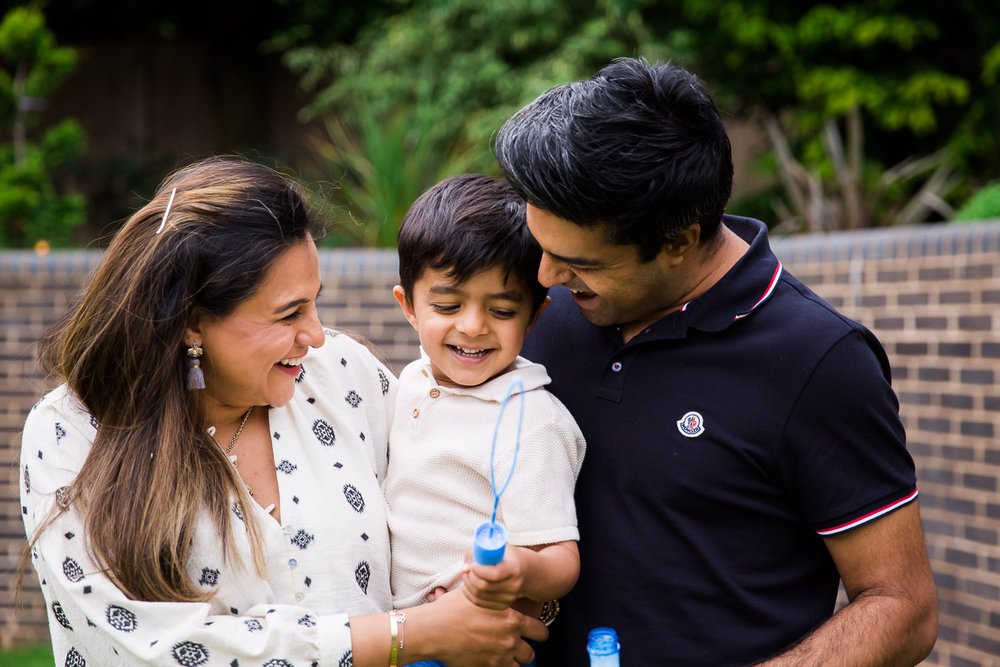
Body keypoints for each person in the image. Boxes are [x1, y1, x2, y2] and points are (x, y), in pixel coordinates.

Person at [494, 58, 938, 665]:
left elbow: (902, 605)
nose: (546, 278)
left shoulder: (818, 360)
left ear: (678, 240)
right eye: (542, 249)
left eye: (582, 263)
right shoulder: (547, 314)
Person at [18, 157, 546, 667]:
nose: (315, 334)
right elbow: (155, 648)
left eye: (314, 303)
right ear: (192, 323)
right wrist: (409, 637)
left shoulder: (341, 374)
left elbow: (453, 493)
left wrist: (502, 591)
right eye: (289, 313)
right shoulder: (71, 436)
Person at [384, 174, 587, 658]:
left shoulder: (530, 420)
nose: (472, 326)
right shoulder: (410, 380)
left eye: (500, 310)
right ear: (408, 305)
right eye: (448, 305)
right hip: (404, 629)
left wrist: (518, 570)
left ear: (534, 317)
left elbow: (562, 558)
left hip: (473, 639)